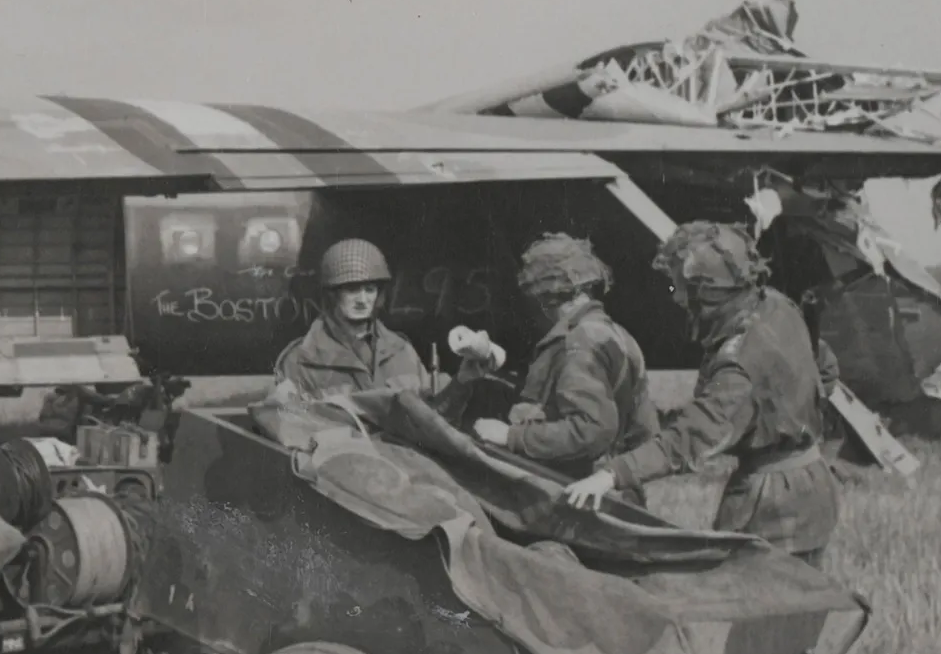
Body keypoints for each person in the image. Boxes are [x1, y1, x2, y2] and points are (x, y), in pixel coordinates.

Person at [562, 221, 839, 569]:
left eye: (680, 287)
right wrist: (789, 414)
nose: (676, 297)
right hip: (813, 481)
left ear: (706, 292)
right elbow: (824, 368)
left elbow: (691, 437)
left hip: (774, 501)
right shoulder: (778, 307)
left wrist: (612, 474)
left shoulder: (739, 362)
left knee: (751, 606)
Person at [468, 233, 658, 507]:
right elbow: (642, 428)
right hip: (617, 494)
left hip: (582, 498)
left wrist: (511, 436)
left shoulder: (578, 342)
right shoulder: (616, 335)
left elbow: (591, 429)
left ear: (545, 296)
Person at [269, 238, 433, 402]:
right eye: (352, 289)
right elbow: (290, 422)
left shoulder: (402, 351)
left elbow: (430, 415)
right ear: (332, 294)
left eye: (370, 290)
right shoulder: (300, 360)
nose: (362, 299)